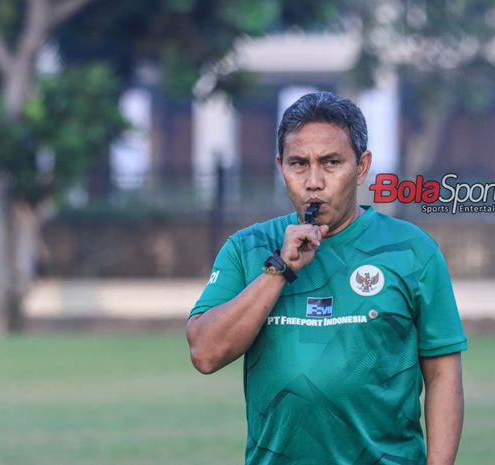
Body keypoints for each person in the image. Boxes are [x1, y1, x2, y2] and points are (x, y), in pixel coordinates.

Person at [186, 91, 467, 465]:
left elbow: (443, 374)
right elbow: (205, 353)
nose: (314, 181)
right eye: (298, 164)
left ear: (362, 166)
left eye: (331, 162)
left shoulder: (412, 251)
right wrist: (279, 271)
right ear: (280, 166)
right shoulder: (247, 248)